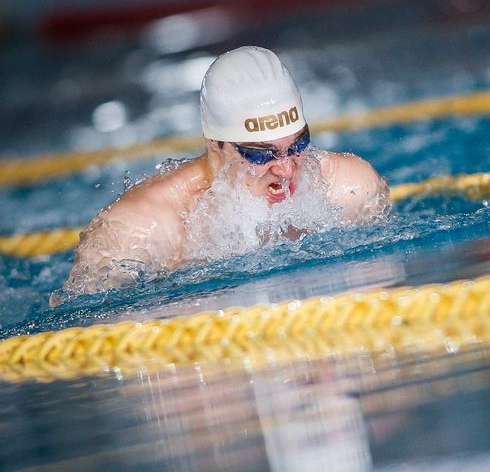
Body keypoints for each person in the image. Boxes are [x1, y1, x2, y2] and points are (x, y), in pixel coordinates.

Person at [55, 46, 389, 301]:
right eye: (260, 153)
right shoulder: (141, 231)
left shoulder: (349, 188)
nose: (286, 169)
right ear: (215, 145)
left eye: (298, 144)